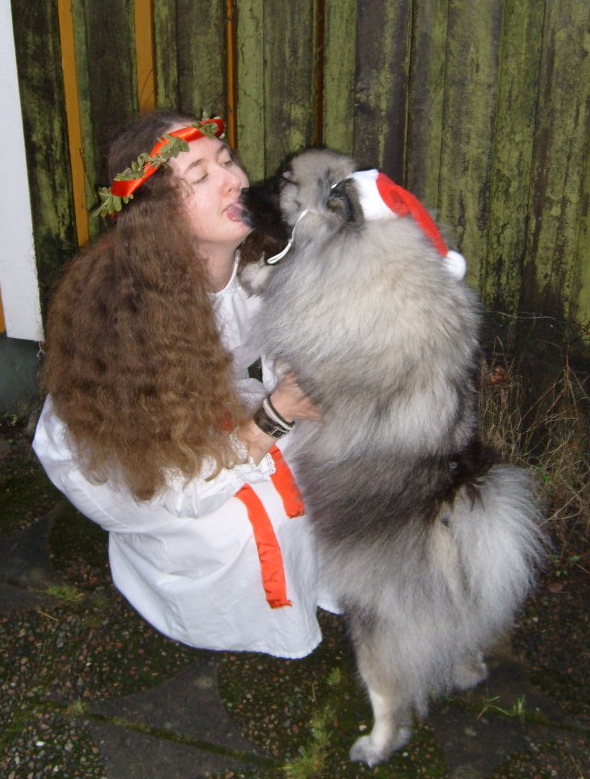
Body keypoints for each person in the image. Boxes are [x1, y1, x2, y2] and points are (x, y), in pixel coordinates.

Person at [32, 110, 334, 659]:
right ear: (161, 215)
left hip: (193, 397)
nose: (234, 179)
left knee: (318, 465)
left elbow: (282, 346)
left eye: (226, 160)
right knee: (232, 532)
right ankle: (183, 590)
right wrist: (278, 413)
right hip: (124, 452)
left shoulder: (258, 257)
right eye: (200, 176)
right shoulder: (131, 320)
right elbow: (179, 485)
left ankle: (314, 579)